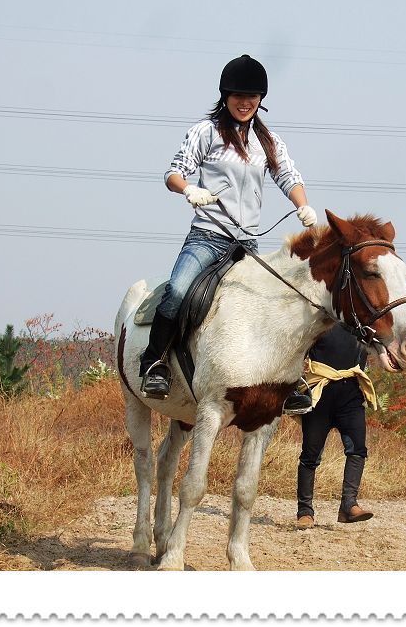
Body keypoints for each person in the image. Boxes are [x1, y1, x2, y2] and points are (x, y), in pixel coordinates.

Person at [139, 54, 317, 413]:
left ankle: (292, 377)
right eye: (238, 95)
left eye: (252, 96)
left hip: (247, 243)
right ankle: (153, 363)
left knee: (286, 300)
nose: (245, 101)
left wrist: (302, 205)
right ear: (225, 95)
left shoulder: (268, 142)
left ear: (261, 99)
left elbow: (288, 176)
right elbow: (174, 173)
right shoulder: (205, 132)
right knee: (177, 290)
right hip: (208, 237)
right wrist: (188, 189)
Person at [295, 324, 378, 528]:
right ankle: (305, 511)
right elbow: (297, 356)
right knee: (310, 455)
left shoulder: (362, 328)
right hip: (319, 395)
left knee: (358, 449)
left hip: (350, 394)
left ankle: (348, 506)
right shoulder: (319, 324)